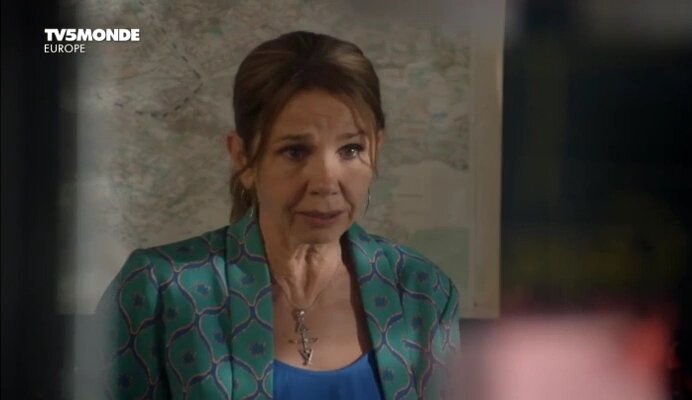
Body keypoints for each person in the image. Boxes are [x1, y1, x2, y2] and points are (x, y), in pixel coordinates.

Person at [96, 31, 460, 399]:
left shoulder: (422, 291)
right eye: (295, 152)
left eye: (351, 149)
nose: (325, 183)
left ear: (376, 150)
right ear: (242, 157)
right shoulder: (160, 287)